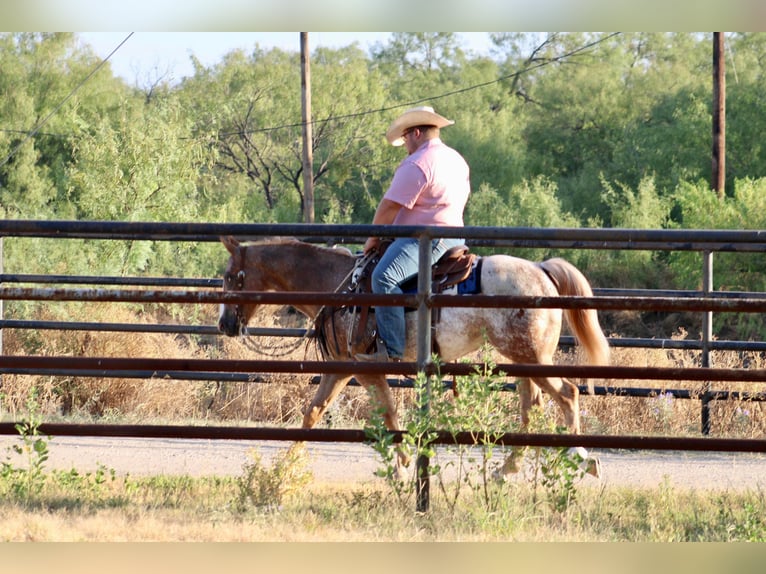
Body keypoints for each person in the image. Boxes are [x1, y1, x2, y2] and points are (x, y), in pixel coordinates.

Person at [355, 105, 471, 362]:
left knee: (383, 278)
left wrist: (373, 237)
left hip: (424, 237)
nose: (405, 143)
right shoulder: (456, 159)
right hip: (454, 234)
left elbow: (389, 206)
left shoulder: (418, 163)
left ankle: (392, 351)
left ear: (416, 132)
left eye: (405, 137)